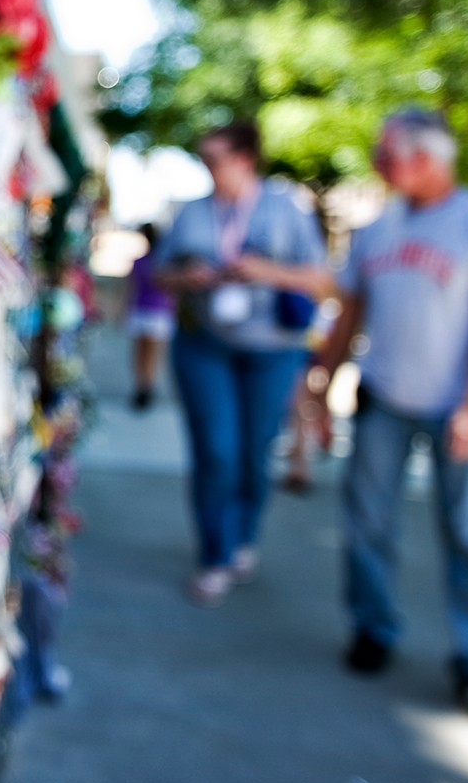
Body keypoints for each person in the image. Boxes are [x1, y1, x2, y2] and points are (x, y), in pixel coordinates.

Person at [294, 107, 468, 724]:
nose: (376, 163)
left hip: (452, 405)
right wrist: (319, 384)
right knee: (367, 524)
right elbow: (351, 316)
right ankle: (374, 629)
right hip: (383, 402)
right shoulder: (377, 230)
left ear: (426, 158)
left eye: (384, 153)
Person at [155, 123, 333, 607]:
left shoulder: (285, 209)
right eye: (203, 161)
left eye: (215, 159)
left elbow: (320, 280)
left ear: (244, 159)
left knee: (255, 455)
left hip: (271, 348)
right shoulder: (192, 212)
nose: (208, 170)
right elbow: (159, 274)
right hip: (204, 342)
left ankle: (241, 538)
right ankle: (215, 553)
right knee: (216, 451)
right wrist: (187, 276)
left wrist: (265, 271)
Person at [127, 223, 173, 410]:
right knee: (152, 354)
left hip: (145, 310)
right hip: (158, 311)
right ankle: (147, 386)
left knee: (141, 353)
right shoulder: (162, 262)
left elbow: (130, 287)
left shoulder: (146, 262)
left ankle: (143, 387)